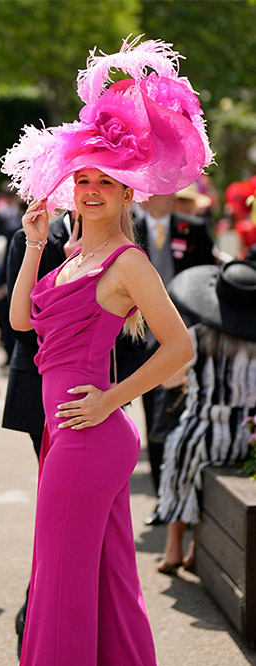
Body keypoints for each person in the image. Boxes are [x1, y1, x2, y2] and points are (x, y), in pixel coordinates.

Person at [0, 36, 213, 666]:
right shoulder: (69, 257)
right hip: (69, 434)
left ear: (127, 192)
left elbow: (179, 346)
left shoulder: (126, 262)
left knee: (57, 582)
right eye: (81, 179)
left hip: (92, 435)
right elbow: (24, 322)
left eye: (104, 181)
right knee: (111, 591)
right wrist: (31, 246)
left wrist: (116, 397)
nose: (89, 190)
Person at [156, 260, 256, 572]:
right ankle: (199, 550)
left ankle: (173, 549)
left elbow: (168, 381)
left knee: (177, 467)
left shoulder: (196, 337)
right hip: (246, 438)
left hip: (200, 435)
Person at [134, 192, 217, 523]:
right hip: (139, 333)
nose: (167, 197)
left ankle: (185, 496)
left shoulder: (192, 228)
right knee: (153, 413)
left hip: (183, 333)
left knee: (182, 412)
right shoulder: (129, 228)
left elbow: (208, 276)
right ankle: (161, 498)